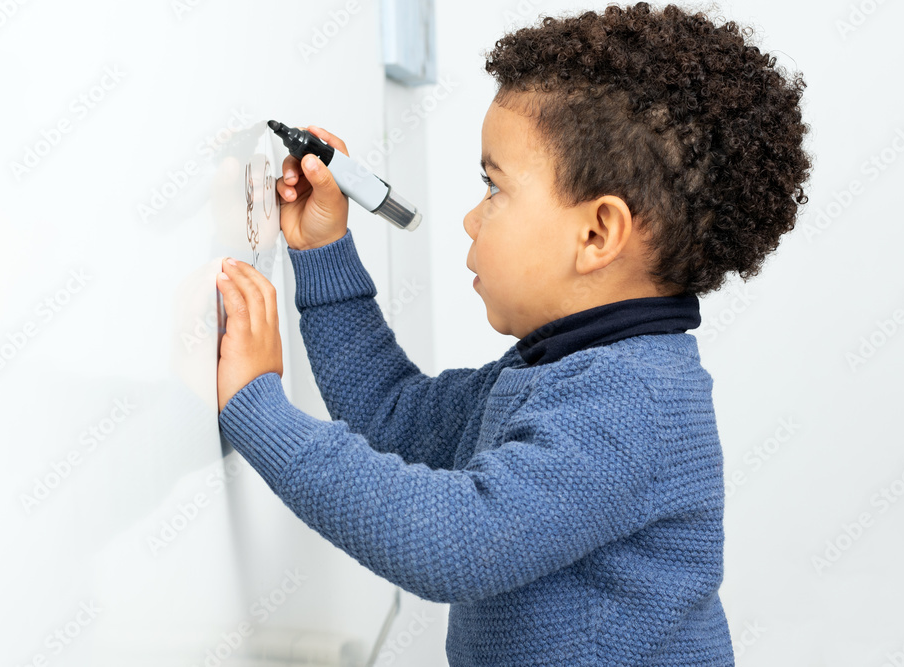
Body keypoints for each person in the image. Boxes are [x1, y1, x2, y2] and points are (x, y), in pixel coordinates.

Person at [215, 3, 811, 664]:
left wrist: (256, 407)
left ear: (596, 233)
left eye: (492, 187)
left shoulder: (627, 403)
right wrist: (323, 250)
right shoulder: (560, 369)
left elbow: (454, 543)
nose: (471, 219)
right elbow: (393, 415)